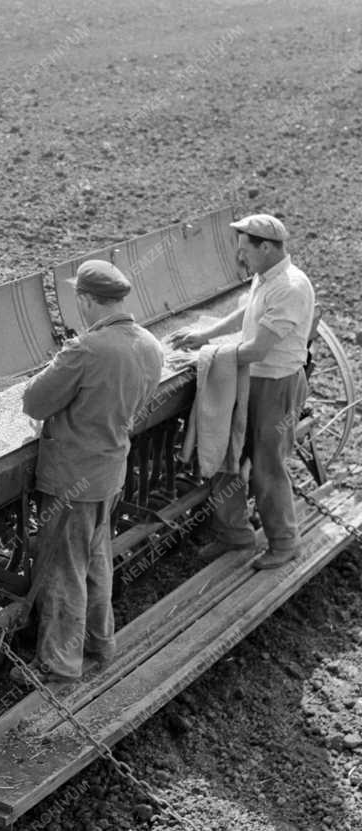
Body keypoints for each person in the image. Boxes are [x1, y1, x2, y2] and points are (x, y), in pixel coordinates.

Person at [20, 260, 165, 682]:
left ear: (85, 300)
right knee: (96, 560)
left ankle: (59, 664)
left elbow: (34, 402)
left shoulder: (87, 349)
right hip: (110, 472)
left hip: (71, 479)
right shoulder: (149, 345)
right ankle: (99, 643)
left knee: (63, 570)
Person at [170, 213, 315, 570]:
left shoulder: (291, 288)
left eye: (244, 250)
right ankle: (235, 536)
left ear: (265, 247)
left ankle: (284, 543)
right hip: (248, 380)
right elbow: (246, 313)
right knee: (227, 457)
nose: (240, 258)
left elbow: (255, 350)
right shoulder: (264, 278)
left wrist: (207, 357)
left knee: (268, 468)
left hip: (275, 386)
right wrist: (205, 335)